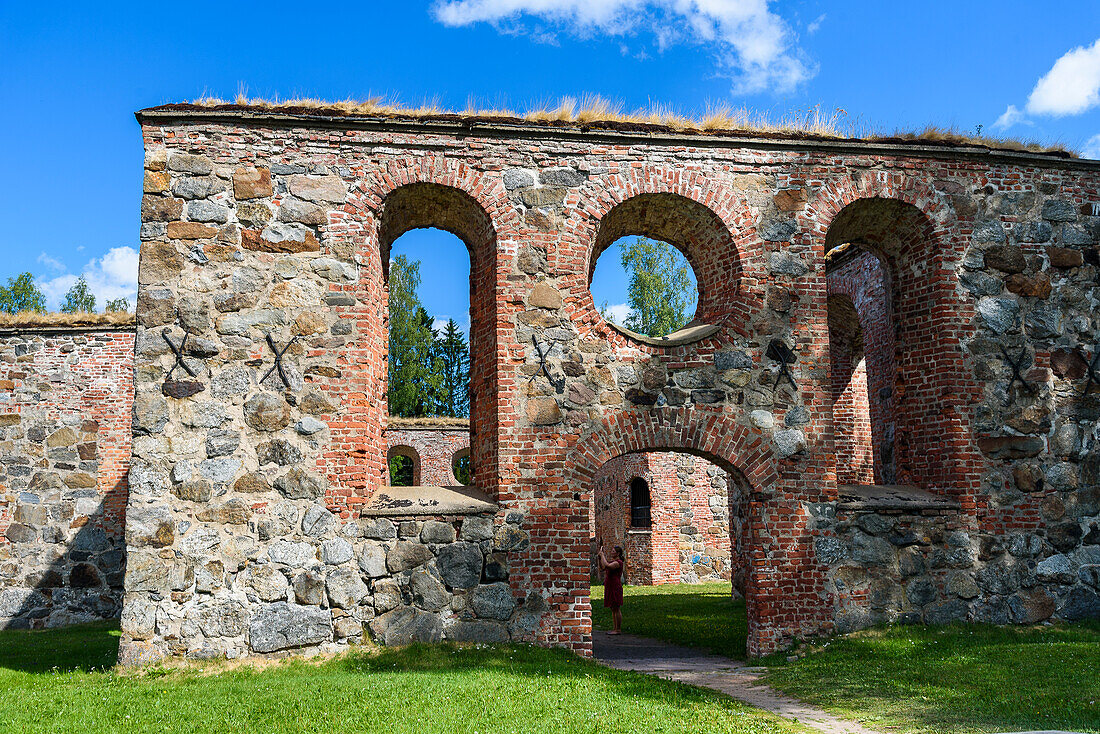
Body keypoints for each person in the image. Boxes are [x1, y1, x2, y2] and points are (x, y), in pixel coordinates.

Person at [597, 542, 625, 635]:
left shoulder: (618, 563)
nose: (612, 552)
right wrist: (600, 557)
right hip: (610, 586)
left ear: (618, 553)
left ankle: (618, 629)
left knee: (616, 607)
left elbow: (608, 566)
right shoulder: (612, 562)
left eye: (613, 551)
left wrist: (602, 555)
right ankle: (615, 628)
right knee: (612, 608)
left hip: (615, 586)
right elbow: (603, 567)